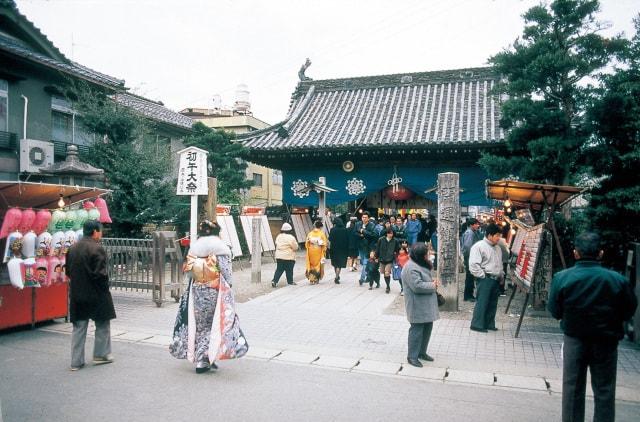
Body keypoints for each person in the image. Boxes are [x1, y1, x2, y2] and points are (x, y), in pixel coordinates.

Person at [547, 232, 637, 422]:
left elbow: (554, 310)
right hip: (606, 341)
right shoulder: (617, 280)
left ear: (575, 253)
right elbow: (629, 309)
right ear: (601, 253)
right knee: (604, 389)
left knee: (572, 388)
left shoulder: (562, 278)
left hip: (574, 339)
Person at [170, 220, 248, 373]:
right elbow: (226, 272)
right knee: (213, 324)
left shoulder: (195, 248)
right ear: (216, 232)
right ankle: (202, 360)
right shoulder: (220, 248)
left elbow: (189, 272)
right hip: (214, 290)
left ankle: (207, 356)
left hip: (197, 290)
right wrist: (229, 287)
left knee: (199, 325)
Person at [67, 220, 116, 371]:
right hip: (96, 294)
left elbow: (68, 271)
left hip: (77, 293)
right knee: (102, 324)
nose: (101, 234)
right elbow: (100, 275)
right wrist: (105, 290)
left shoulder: (72, 248)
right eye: (100, 231)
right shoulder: (97, 248)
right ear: (95, 232)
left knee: (79, 327)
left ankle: (76, 362)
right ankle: (100, 355)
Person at [401, 242, 439, 368]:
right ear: (420, 255)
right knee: (417, 330)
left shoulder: (418, 263)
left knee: (427, 328)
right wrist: (432, 285)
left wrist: (431, 282)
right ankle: (412, 356)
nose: (428, 256)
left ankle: (422, 352)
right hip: (416, 304)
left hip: (425, 304)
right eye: (426, 254)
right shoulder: (411, 267)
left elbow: (423, 280)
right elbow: (417, 286)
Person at [468, 223, 503, 333]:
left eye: (499, 235)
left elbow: (499, 263)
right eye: (497, 235)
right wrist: (483, 276)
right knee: (482, 302)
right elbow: (473, 265)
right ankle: (477, 324)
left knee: (493, 302)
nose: (499, 238)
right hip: (485, 278)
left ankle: (489, 323)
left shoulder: (498, 248)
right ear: (489, 235)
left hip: (496, 279)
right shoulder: (479, 246)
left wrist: (501, 275)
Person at [461, 217, 483, 302]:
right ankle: (468, 296)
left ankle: (469, 295)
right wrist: (472, 256)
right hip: (470, 257)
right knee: (470, 276)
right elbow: (467, 246)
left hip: (470, 257)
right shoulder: (470, 233)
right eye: (476, 224)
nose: (478, 225)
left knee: (470, 276)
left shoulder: (473, 232)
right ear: (471, 225)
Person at [271, 222, 299, 287]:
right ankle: (290, 281)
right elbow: (295, 247)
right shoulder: (291, 237)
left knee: (279, 269)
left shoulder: (279, 236)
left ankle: (274, 281)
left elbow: (276, 244)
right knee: (289, 269)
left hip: (279, 256)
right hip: (288, 256)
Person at [355, 212, 377, 285]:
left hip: (368, 246)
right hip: (360, 246)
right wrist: (360, 235)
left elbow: (373, 235)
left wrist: (363, 231)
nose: (364, 219)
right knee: (362, 262)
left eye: (365, 217)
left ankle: (362, 278)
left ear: (368, 218)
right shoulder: (358, 224)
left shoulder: (372, 225)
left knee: (365, 262)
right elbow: (354, 232)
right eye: (363, 217)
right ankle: (368, 275)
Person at [376, 228, 400, 293]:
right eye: (389, 233)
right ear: (386, 233)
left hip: (390, 259)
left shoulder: (395, 241)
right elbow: (377, 249)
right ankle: (387, 284)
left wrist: (396, 256)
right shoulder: (381, 239)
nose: (390, 234)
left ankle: (388, 286)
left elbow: (397, 250)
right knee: (383, 273)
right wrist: (376, 257)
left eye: (391, 233)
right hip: (382, 258)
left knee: (387, 273)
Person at [305, 220, 328, 284]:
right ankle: (316, 279)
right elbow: (324, 243)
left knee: (311, 264)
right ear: (320, 227)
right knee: (318, 264)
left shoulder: (310, 233)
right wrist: (324, 249)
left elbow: (306, 243)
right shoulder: (321, 233)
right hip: (318, 251)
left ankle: (311, 279)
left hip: (311, 250)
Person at [328, 218, 349, 284]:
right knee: (339, 264)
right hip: (342, 249)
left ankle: (337, 275)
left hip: (334, 249)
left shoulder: (332, 230)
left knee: (335, 263)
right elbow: (347, 239)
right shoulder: (345, 230)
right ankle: (337, 277)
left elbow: (330, 239)